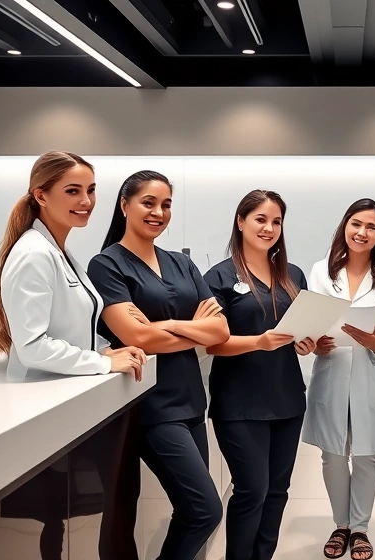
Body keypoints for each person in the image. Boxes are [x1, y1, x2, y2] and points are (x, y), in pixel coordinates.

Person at [0, 151, 146, 560]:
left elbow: (69, 327)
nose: (86, 201)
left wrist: (106, 348)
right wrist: (102, 362)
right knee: (56, 519)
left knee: (78, 514)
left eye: (91, 190)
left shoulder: (59, 249)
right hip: (42, 406)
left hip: (67, 402)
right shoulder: (34, 254)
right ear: (40, 195)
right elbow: (34, 344)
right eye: (72, 191)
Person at [88, 170, 230, 560]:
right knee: (206, 510)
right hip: (150, 406)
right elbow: (139, 339)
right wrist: (191, 329)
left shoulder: (180, 264)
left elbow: (220, 330)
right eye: (148, 202)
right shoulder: (107, 264)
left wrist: (166, 325)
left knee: (192, 510)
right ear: (124, 205)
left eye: (166, 204)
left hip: (191, 403)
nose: (159, 212)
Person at [202, 190, 315, 560]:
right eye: (260, 219)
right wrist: (258, 342)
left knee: (278, 490)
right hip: (239, 401)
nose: (269, 228)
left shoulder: (293, 275)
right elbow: (212, 345)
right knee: (252, 488)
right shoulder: (217, 277)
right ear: (241, 221)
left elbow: (301, 330)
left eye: (276, 222)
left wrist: (306, 342)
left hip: (287, 398)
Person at [303, 199, 375, 560]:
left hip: (370, 373)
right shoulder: (321, 272)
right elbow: (309, 322)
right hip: (330, 372)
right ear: (345, 226)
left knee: (365, 454)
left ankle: (360, 528)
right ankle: (341, 525)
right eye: (356, 224)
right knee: (332, 455)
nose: (362, 233)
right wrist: (313, 342)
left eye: (371, 227)